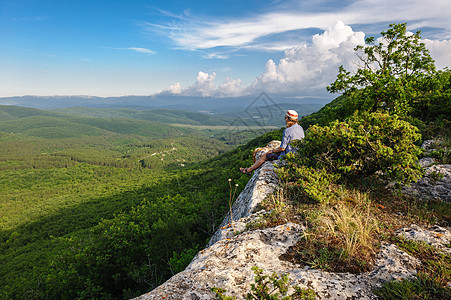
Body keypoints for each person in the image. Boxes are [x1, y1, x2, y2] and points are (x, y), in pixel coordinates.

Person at [240, 110, 305, 174]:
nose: (285, 119)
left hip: (288, 156)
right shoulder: (300, 128)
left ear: (288, 119)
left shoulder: (287, 131)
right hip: (298, 155)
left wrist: (272, 151)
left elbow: (282, 148)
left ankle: (249, 170)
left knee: (264, 156)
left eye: (286, 117)